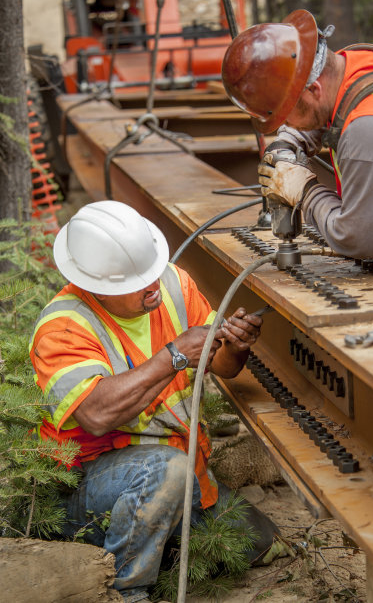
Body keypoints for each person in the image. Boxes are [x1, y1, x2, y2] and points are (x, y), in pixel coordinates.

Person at [29, 201, 278, 603]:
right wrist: (174, 355)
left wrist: (235, 346)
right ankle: (126, 590)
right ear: (97, 287)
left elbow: (223, 365)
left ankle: (158, 542)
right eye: (135, 281)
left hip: (175, 471)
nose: (152, 287)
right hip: (87, 482)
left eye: (151, 271)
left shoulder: (173, 284)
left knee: (257, 541)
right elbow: (95, 415)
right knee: (167, 470)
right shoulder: (63, 327)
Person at [221, 9, 373, 272]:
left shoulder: (369, 128)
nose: (285, 125)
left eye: (287, 115)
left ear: (313, 90)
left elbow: (362, 240)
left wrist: (305, 192)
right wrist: (284, 146)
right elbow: (326, 113)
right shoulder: (354, 66)